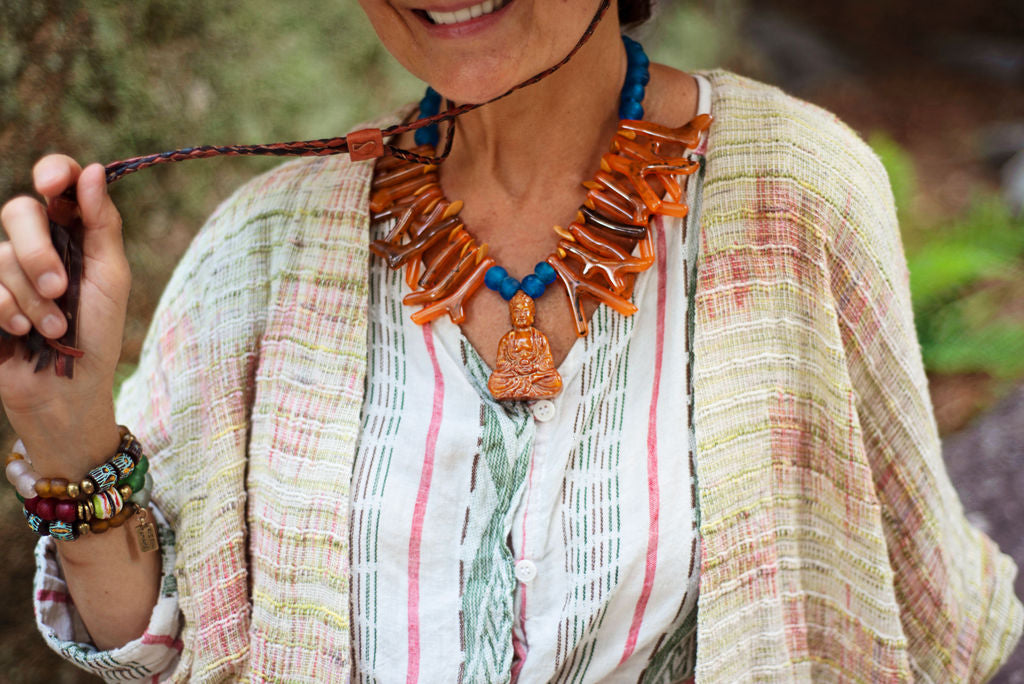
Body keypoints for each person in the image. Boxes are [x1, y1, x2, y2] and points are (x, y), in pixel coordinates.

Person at [2, 0, 1021, 681]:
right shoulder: (262, 251)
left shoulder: (797, 195)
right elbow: (154, 654)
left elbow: (920, 623)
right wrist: (67, 428)